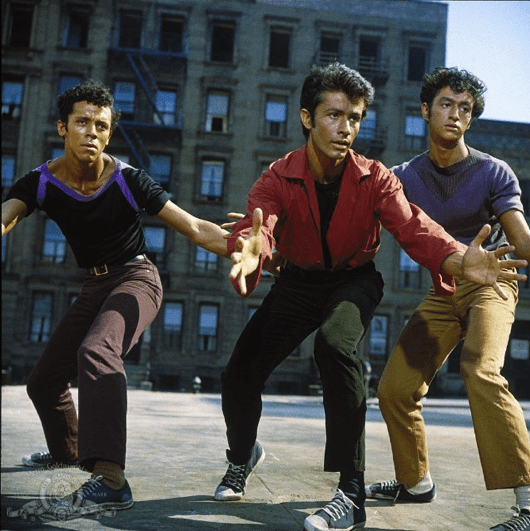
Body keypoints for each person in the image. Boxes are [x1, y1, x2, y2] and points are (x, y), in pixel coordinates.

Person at [213, 63, 527, 531]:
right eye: (335, 116)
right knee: (249, 375)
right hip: (320, 285)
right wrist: (256, 246)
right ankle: (250, 457)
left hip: (416, 280)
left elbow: (416, 228)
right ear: (306, 118)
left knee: (351, 351)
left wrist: (462, 260)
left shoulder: (404, 175)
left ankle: (353, 493)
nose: (346, 129)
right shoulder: (291, 175)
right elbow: (261, 222)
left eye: (355, 118)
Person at [1, 79, 261, 519]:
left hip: (137, 279)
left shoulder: (126, 180)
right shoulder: (41, 183)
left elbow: (196, 227)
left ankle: (110, 481)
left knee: (98, 351)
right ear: (62, 127)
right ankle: (69, 452)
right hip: (93, 285)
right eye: (82, 122)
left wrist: (245, 246)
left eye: (101, 126)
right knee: (44, 383)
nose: (92, 133)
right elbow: (6, 217)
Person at [365, 67, 530, 531]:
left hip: (492, 285)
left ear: (471, 120)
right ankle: (415, 483)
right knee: (394, 390)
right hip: (443, 292)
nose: (455, 115)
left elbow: (521, 239)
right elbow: (363, 220)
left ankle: (529, 502)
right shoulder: (402, 178)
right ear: (425, 110)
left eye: (465, 109)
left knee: (480, 369)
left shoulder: (493, 171)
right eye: (446, 105)